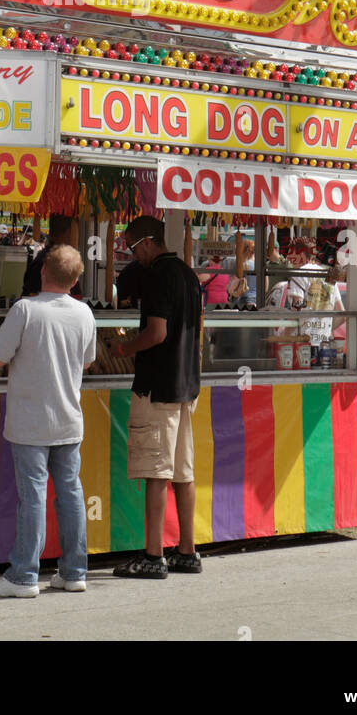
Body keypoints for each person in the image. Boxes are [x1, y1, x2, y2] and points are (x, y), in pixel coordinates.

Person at [0, 244, 97, 597]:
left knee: (32, 496)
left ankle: (23, 575)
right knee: (71, 494)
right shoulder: (84, 313)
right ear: (77, 279)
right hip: (68, 419)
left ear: (43, 270)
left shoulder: (24, 310)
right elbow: (87, 362)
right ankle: (74, 571)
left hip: (30, 421)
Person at [109, 216, 202, 579]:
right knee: (183, 471)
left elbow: (157, 332)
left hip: (158, 384)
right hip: (185, 384)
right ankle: (187, 550)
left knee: (155, 472)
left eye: (132, 249)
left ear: (148, 242)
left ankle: (153, 555)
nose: (134, 257)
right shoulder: (188, 274)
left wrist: (123, 348)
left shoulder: (158, 275)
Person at [21, 214, 81, 298]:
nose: (78, 237)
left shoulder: (65, 259)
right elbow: (31, 296)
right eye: (76, 231)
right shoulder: (47, 261)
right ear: (68, 233)